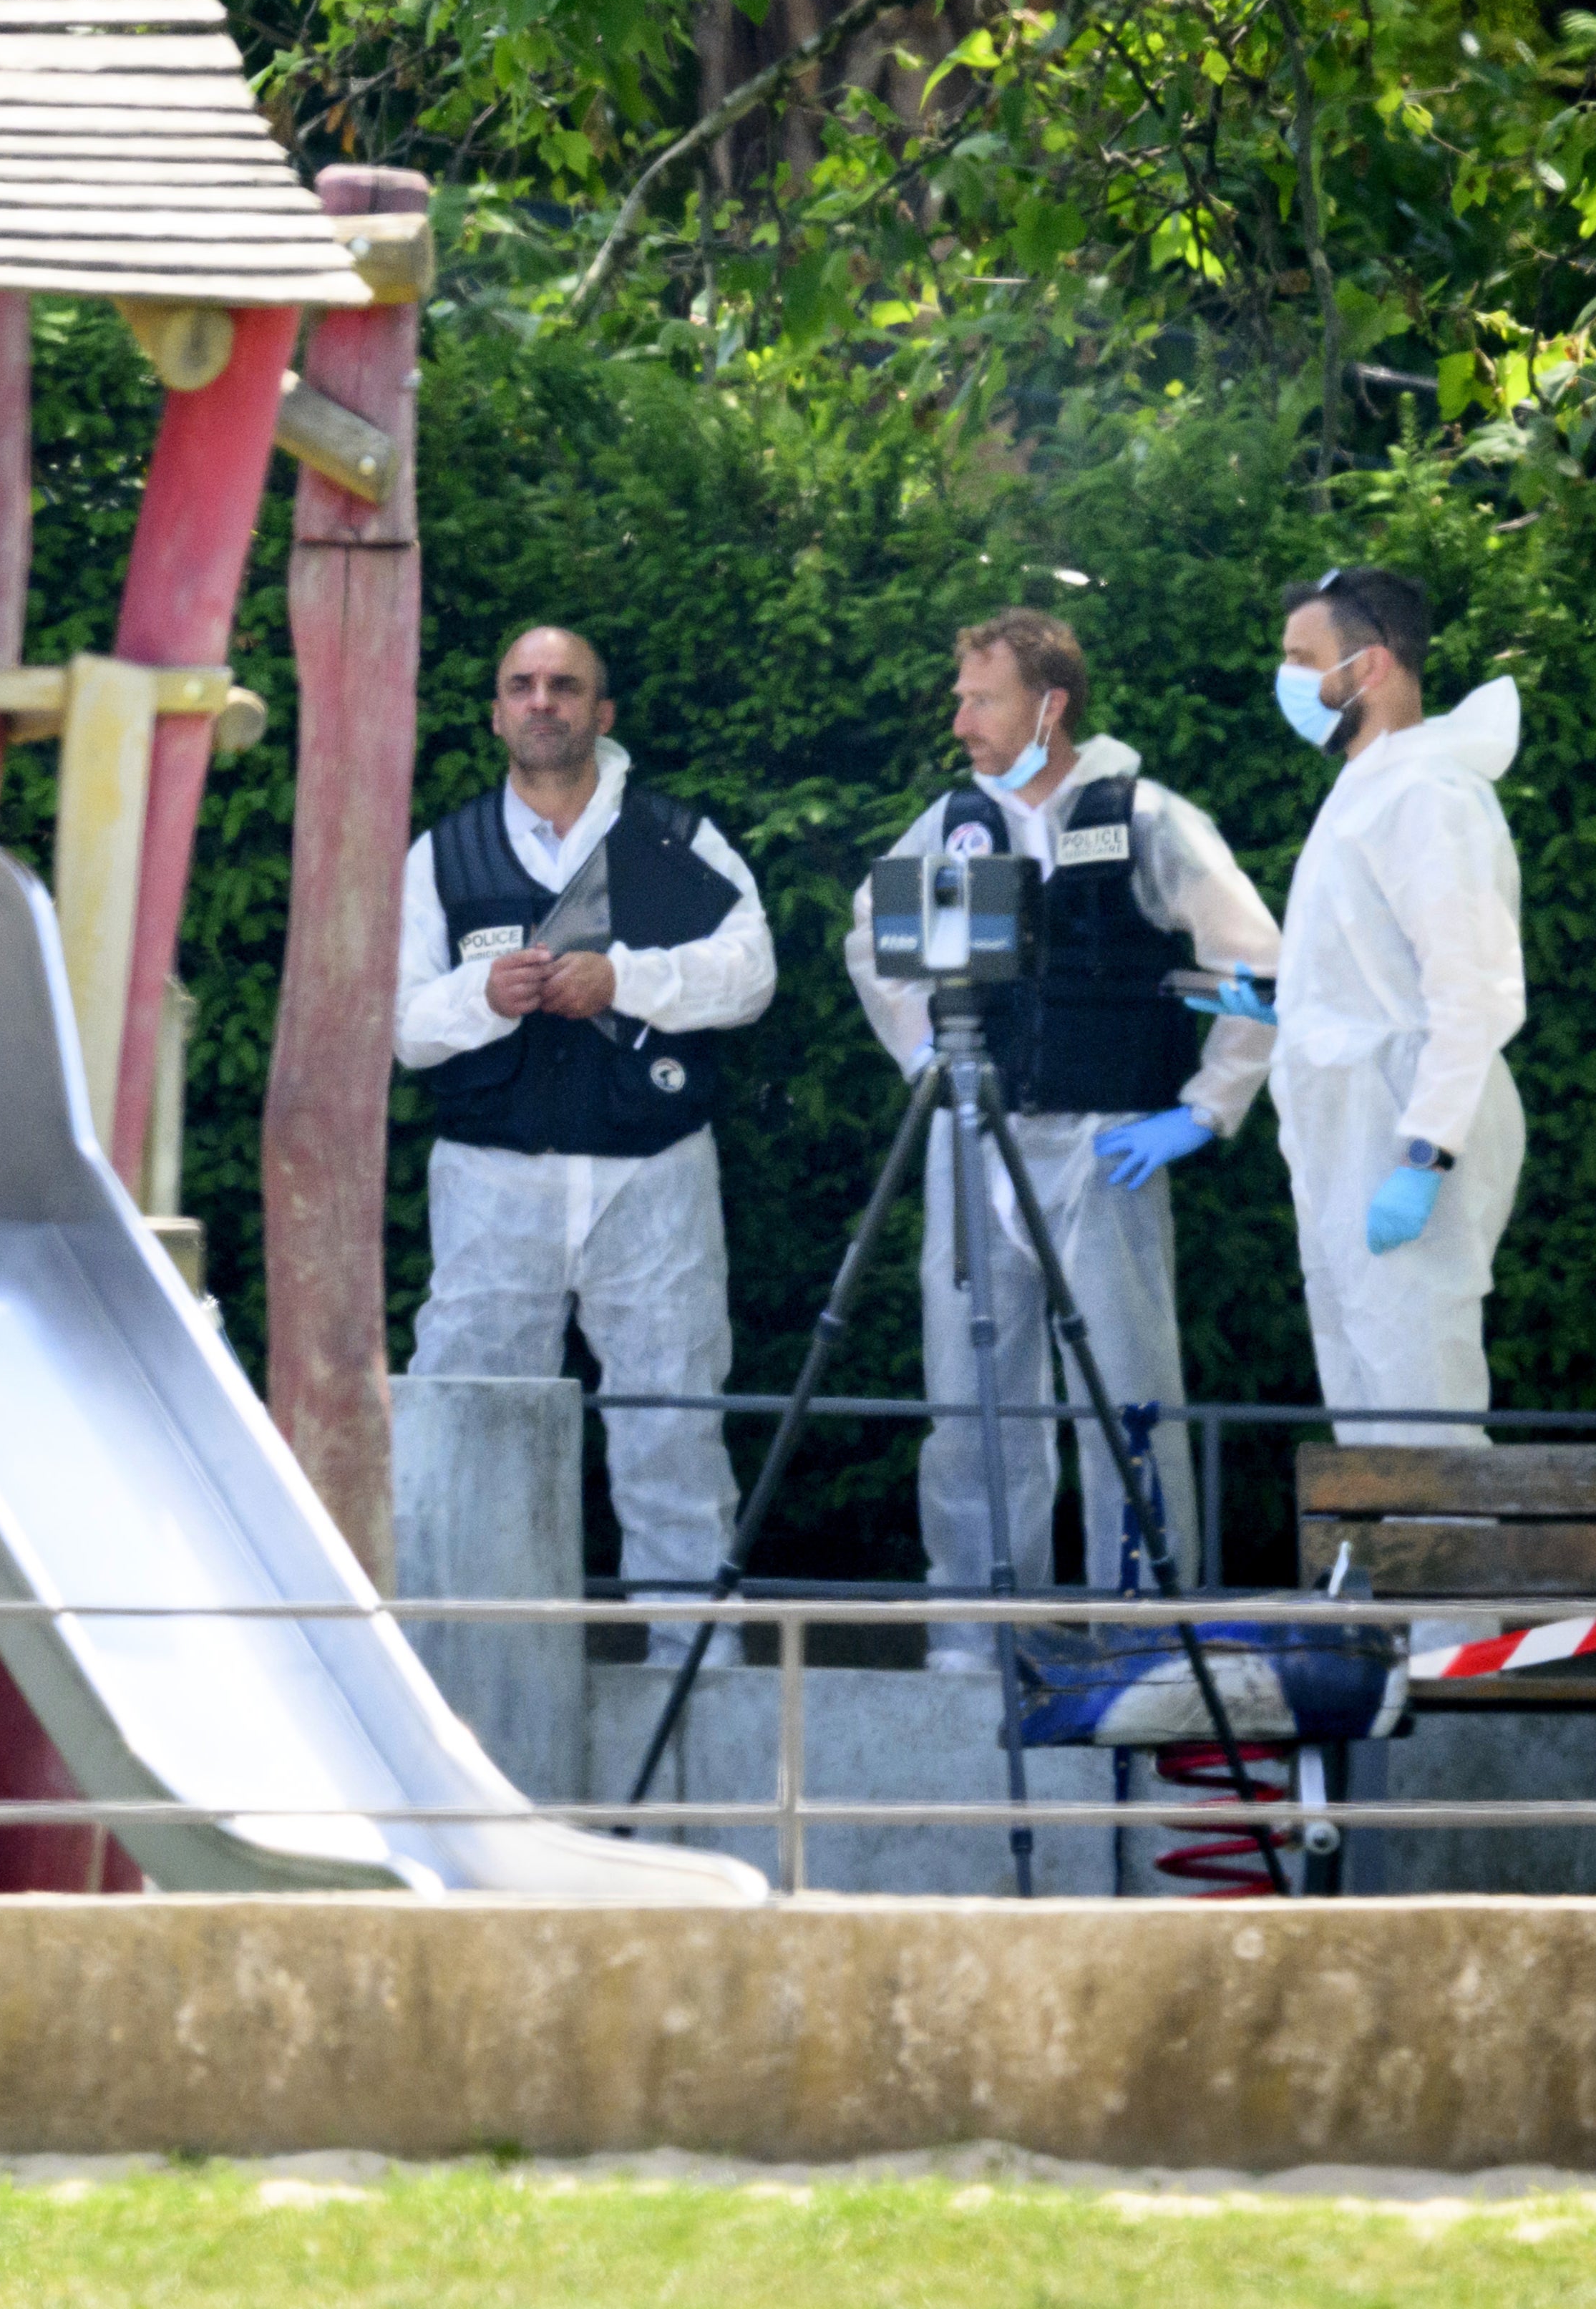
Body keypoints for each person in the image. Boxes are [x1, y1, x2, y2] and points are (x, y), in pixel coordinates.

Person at [843, 610, 1281, 1661]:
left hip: (1110, 1137)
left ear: (1049, 705)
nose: (959, 720)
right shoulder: (959, 822)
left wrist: (1205, 1107)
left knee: (1126, 1392)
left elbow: (1257, 968)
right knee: (972, 1395)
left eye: (979, 698)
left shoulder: (1145, 818)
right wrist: (926, 1062)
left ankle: (1142, 1634)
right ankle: (980, 1637)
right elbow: (873, 943)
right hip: (977, 1136)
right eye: (958, 697)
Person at [396, 626, 779, 1651]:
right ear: (493, 712)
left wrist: (627, 979)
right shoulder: (446, 851)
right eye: (519, 684)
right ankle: (459, 1672)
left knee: (672, 1432)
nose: (540, 701)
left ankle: (694, 1675)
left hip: (650, 1177)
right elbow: (392, 1021)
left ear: (600, 713)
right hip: (489, 1180)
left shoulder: (670, 839)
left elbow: (750, 975)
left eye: (563, 686)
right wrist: (480, 995)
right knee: (468, 1426)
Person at [1220, 567, 1524, 1446]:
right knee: (1363, 1377)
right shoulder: (1368, 787)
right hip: (1355, 1117)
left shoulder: (1429, 795)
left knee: (1415, 1381)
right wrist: (1298, 1004)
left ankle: (1442, 1566)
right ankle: (1385, 1570)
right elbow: (1384, 966)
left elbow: (1472, 990)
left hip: (1404, 1123)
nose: (1289, 679)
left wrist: (1428, 1153)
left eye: (1302, 658)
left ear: (1373, 666)